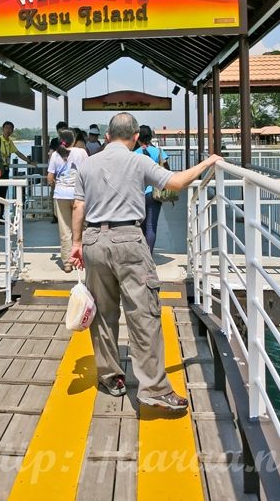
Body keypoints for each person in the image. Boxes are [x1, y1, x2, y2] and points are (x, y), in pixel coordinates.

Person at [70, 112, 221, 412]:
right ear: (136, 137)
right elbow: (176, 183)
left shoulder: (87, 162)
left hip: (93, 242)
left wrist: (76, 243)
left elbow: (78, 205)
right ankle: (153, 388)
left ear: (109, 135)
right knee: (143, 314)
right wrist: (208, 162)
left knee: (102, 314)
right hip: (128, 241)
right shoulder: (139, 160)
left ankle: (111, 377)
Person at [47, 129, 88, 272]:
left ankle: (67, 263)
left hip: (61, 195)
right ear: (74, 140)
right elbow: (87, 171)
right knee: (82, 227)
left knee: (65, 230)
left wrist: (56, 184)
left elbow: (50, 178)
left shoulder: (55, 155)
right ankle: (83, 259)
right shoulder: (81, 152)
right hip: (79, 195)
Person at [134, 124, 169, 255]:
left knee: (140, 226)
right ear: (151, 137)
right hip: (154, 194)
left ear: (137, 137)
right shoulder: (158, 152)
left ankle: (141, 253)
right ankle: (149, 255)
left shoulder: (134, 154)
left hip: (137, 194)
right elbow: (167, 170)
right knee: (151, 226)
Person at [0, 120, 36, 203]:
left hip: (6, 169)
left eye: (10, 128)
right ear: (2, 129)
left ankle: (1, 214)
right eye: (6, 128)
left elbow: (18, 153)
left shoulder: (10, 142)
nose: (8, 130)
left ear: (12, 131)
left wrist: (29, 161)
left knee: (3, 192)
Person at [48, 121, 68, 224]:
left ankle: (64, 215)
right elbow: (51, 153)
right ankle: (55, 215)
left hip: (67, 172)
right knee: (54, 194)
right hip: (56, 172)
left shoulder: (70, 141)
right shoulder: (54, 141)